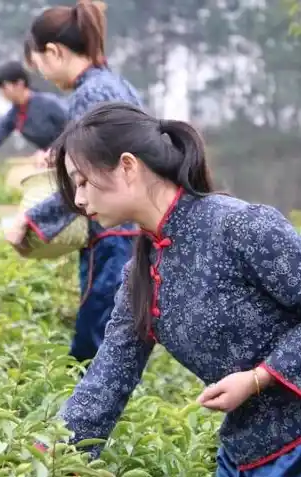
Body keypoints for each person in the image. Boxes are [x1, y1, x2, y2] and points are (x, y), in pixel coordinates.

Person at [35, 100, 301, 476]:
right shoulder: (141, 274)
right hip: (243, 457)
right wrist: (45, 457)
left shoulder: (241, 227)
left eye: (82, 181)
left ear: (127, 166)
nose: (78, 200)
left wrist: (261, 377)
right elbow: (108, 377)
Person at [6, 0, 144, 363]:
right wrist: (58, 151)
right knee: (119, 325)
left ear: (53, 51)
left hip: (114, 231)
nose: (44, 76)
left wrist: (31, 220)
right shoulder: (114, 84)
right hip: (134, 227)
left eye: (39, 64)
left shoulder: (88, 94)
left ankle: (81, 416)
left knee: (95, 335)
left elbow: (89, 176)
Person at [0, 60, 67, 165]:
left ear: (19, 84)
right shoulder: (13, 116)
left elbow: (75, 125)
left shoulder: (48, 103)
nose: (1, 92)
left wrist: (55, 150)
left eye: (4, 87)